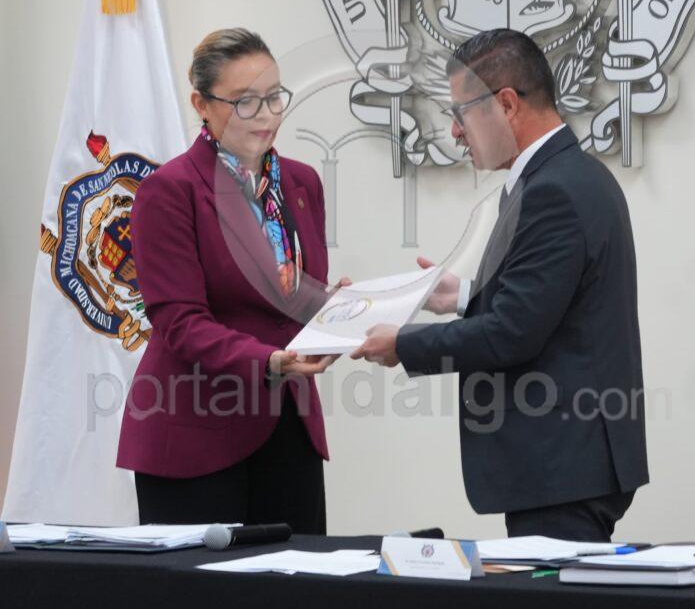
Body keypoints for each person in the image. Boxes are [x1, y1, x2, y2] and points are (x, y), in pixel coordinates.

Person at [352, 28, 648, 542]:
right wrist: (465, 295)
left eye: (461, 113)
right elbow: (552, 304)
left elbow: (511, 334)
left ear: (507, 104)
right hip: (565, 463)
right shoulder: (568, 176)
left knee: (553, 599)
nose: (454, 132)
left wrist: (403, 344)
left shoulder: (553, 191)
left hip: (563, 467)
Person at [117, 28, 346, 531]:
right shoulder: (169, 191)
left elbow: (291, 295)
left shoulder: (303, 181)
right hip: (195, 436)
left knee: (298, 579)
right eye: (245, 102)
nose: (266, 116)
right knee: (205, 585)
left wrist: (338, 309)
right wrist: (267, 361)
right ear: (202, 104)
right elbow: (180, 322)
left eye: (274, 97)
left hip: (290, 427)